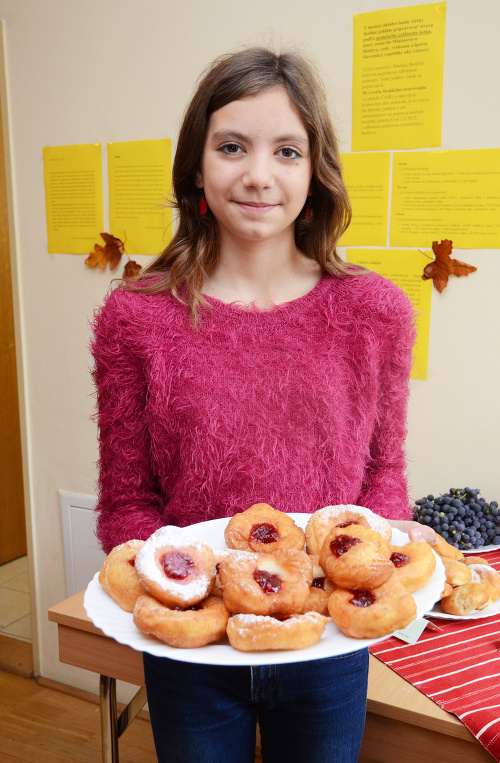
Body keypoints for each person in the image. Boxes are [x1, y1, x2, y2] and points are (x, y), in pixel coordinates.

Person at [91, 46, 434, 763]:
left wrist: (385, 561)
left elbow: (384, 475)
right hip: (192, 650)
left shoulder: (377, 311)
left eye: (286, 150)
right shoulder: (134, 319)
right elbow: (127, 501)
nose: (257, 174)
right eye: (231, 146)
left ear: (315, 172)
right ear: (196, 165)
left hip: (329, 645)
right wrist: (189, 597)